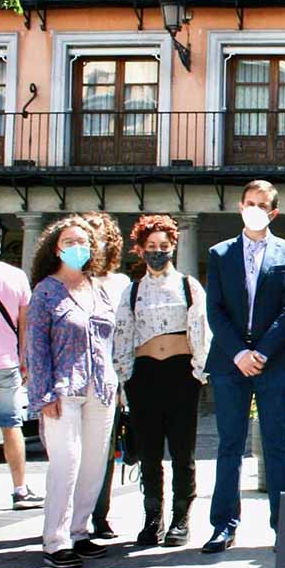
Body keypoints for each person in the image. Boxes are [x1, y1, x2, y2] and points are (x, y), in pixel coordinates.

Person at [202, 180, 285, 554]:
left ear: (273, 212)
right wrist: (239, 354)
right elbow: (215, 310)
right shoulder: (219, 253)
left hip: (272, 362)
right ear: (240, 206)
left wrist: (260, 352)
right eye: (249, 202)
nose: (255, 208)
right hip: (230, 364)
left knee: (276, 444)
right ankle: (223, 525)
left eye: (262, 204)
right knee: (229, 444)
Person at [112, 214, 210, 546]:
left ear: (173, 247)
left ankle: (181, 517)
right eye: (151, 246)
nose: (157, 252)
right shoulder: (132, 290)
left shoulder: (188, 285)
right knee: (150, 452)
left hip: (181, 375)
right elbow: (123, 336)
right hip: (145, 377)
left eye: (163, 246)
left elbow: (201, 330)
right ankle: (153, 516)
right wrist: (125, 379)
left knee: (183, 451)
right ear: (140, 250)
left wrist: (199, 371)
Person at [25, 216, 117, 568]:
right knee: (67, 463)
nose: (78, 246)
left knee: (94, 465)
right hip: (63, 390)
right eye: (69, 241)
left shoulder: (98, 288)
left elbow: (111, 339)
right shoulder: (46, 292)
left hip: (101, 389)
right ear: (56, 247)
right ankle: (55, 539)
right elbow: (36, 347)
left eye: (84, 241)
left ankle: (80, 531)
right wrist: (43, 394)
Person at [84, 211, 130, 542]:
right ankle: (72, 516)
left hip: (107, 380)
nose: (93, 243)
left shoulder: (120, 284)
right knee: (71, 452)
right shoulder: (66, 280)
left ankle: (99, 515)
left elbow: (125, 335)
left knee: (103, 451)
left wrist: (122, 383)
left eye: (98, 236)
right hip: (71, 380)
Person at [0, 221, 42, 511]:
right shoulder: (16, 277)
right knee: (12, 427)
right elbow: (25, 326)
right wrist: (26, 362)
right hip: (7, 363)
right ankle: (20, 490)